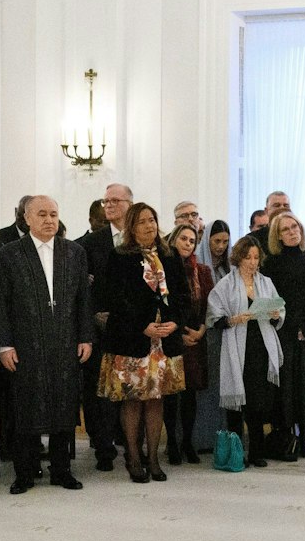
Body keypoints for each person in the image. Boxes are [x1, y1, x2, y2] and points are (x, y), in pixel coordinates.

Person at [0, 194, 93, 492]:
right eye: (41, 214)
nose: (49, 220)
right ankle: (24, 472)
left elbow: (83, 301)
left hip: (65, 341)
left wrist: (86, 336)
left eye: (53, 214)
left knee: (64, 404)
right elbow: (1, 302)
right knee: (26, 405)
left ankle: (61, 470)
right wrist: (4, 345)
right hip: (25, 343)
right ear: (26, 218)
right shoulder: (10, 253)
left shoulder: (74, 252)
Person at [96, 201, 191, 483]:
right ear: (131, 227)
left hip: (164, 341)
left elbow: (183, 296)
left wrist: (176, 322)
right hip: (132, 339)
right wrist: (142, 327)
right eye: (142, 222)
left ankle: (153, 457)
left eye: (152, 219)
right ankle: (134, 456)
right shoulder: (119, 257)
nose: (149, 225)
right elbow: (114, 301)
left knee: (156, 398)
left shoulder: (170, 255)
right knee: (134, 400)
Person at [207, 238, 285, 466]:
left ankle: (257, 451)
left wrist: (274, 315)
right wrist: (232, 319)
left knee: (257, 402)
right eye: (248, 257)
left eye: (256, 257)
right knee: (236, 401)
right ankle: (236, 452)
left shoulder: (266, 282)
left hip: (260, 345)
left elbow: (279, 308)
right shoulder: (226, 284)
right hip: (237, 345)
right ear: (238, 258)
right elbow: (213, 315)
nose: (252, 262)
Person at [260, 212, 305, 459]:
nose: (292, 232)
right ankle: (287, 438)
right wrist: (285, 324)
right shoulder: (271, 264)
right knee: (284, 387)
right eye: (285, 229)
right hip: (281, 329)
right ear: (277, 236)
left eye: (295, 226)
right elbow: (269, 300)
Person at [78, 184, 131, 471]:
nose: (108, 205)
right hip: (100, 327)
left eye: (115, 200)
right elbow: (83, 289)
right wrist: (96, 315)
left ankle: (128, 437)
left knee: (127, 387)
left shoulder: (140, 239)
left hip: (133, 327)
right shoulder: (91, 243)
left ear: (129, 204)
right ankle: (103, 445)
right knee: (98, 389)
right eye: (105, 200)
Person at [165, 223, 213, 465]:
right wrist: (178, 334)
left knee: (191, 395)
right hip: (173, 337)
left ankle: (188, 443)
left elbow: (209, 306)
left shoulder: (202, 271)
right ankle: (172, 443)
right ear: (173, 240)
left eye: (192, 240)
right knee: (172, 395)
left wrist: (201, 330)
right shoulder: (164, 268)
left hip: (196, 336)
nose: (187, 243)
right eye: (183, 238)